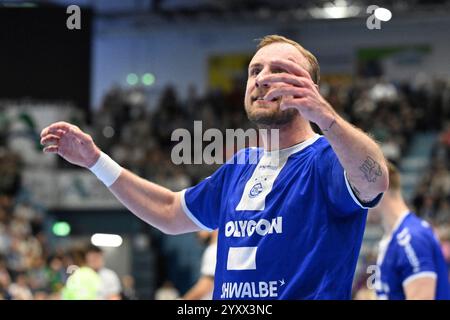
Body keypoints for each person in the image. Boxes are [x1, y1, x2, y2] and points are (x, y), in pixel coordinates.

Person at [40, 35, 388, 299]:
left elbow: (374, 180)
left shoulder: (327, 159)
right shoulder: (240, 167)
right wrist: (95, 161)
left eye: (280, 70)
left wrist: (325, 115)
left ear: (310, 88)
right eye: (255, 71)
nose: (262, 78)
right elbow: (169, 211)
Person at [370, 162, 450, 300]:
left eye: (360, 189)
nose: (357, 200)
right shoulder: (393, 238)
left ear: (380, 187)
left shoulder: (411, 238)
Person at [182, 230, 218, 300]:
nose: (197, 231)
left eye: (201, 227)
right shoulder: (223, 248)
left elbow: (207, 284)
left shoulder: (214, 250)